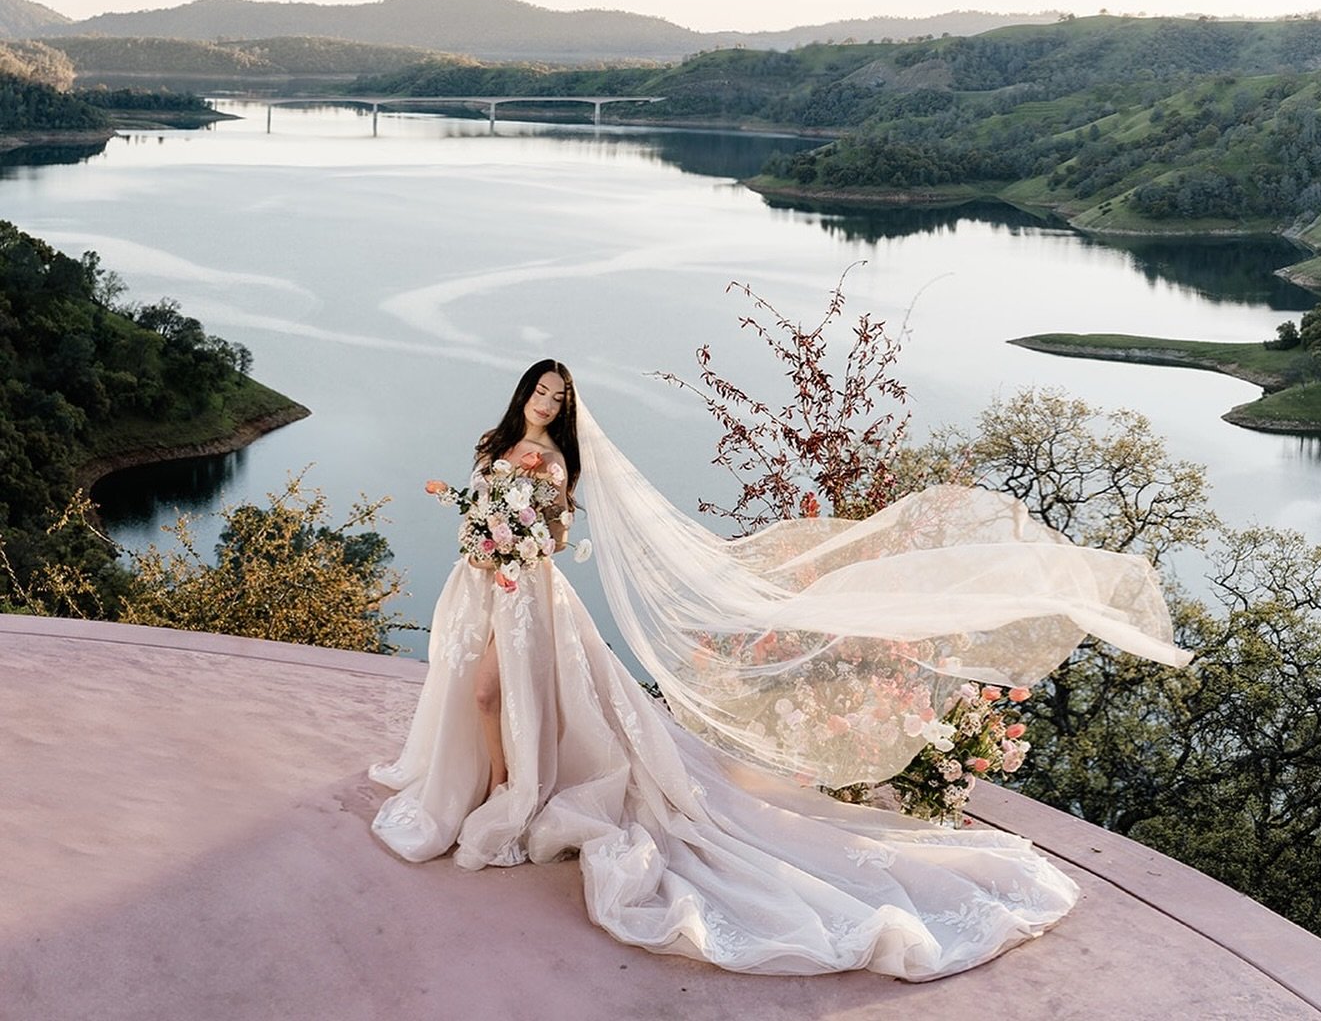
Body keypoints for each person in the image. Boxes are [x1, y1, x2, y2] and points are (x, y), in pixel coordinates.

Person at [371, 358, 1191, 980]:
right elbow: (478, 511)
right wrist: (480, 536)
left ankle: (512, 789)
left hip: (526, 595)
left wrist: (519, 539)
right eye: (540, 392)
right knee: (479, 691)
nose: (546, 404)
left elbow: (553, 538)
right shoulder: (493, 446)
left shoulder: (553, 466)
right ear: (523, 393)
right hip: (480, 587)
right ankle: (490, 781)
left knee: (497, 692)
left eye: (558, 397)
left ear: (567, 409)